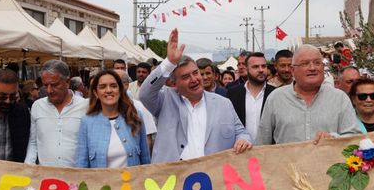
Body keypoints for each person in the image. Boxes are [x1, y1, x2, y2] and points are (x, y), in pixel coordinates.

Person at [139, 29, 252, 163]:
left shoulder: (224, 103)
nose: (194, 79)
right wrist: (169, 63)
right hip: (174, 179)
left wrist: (243, 139)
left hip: (213, 177)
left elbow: (241, 132)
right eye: (186, 77)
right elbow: (145, 93)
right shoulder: (165, 101)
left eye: (195, 73)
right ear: (174, 83)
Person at [258, 45, 362, 145]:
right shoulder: (276, 98)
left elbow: (354, 138)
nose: (312, 68)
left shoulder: (339, 98)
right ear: (293, 70)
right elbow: (262, 143)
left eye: (317, 63)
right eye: (305, 64)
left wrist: (333, 138)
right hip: (287, 163)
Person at [75, 70, 151, 168]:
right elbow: (81, 164)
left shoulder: (135, 117)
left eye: (113, 86)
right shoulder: (87, 122)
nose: (108, 90)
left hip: (132, 182)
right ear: (96, 93)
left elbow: (145, 161)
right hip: (100, 183)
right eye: (102, 87)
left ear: (120, 89)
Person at [25, 60, 88, 166]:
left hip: (77, 177)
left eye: (54, 85)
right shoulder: (37, 106)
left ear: (67, 82)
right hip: (45, 177)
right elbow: (33, 141)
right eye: (46, 85)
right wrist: (28, 166)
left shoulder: (85, 106)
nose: (49, 90)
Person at [227, 52, 276, 144]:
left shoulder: (275, 93)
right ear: (246, 69)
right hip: (240, 151)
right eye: (255, 67)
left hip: (268, 152)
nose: (261, 70)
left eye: (263, 66)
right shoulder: (233, 93)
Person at [117, 69, 157, 152]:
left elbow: (147, 140)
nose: (109, 89)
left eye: (113, 85)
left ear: (125, 85)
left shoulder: (140, 107)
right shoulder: (102, 109)